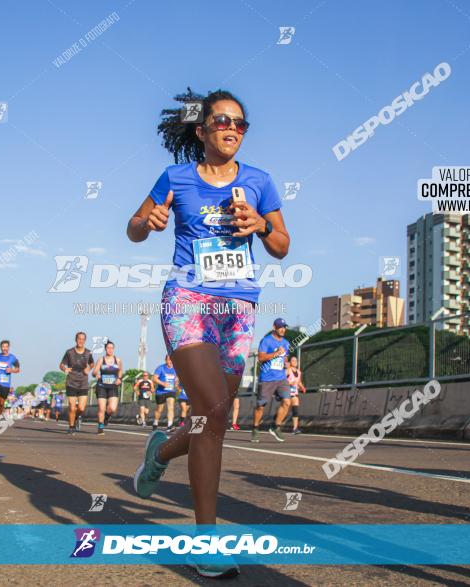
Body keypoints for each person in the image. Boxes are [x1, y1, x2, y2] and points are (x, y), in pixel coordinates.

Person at [127, 88, 289, 579]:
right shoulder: (175, 177)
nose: (232, 129)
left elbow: (282, 245)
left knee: (208, 417)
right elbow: (134, 227)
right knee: (214, 413)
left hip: (238, 307)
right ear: (201, 130)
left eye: (240, 123)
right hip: (188, 299)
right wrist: (147, 220)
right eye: (222, 121)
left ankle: (160, 450)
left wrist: (261, 224)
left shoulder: (259, 182)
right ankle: (207, 540)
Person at [252, 318, 292, 443]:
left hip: (281, 378)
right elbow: (261, 357)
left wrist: (287, 364)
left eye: (284, 327)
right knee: (261, 406)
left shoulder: (286, 343)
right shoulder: (266, 341)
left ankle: (276, 427)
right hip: (267, 378)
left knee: (287, 402)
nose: (283, 329)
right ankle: (255, 428)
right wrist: (275, 354)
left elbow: (284, 358)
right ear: (274, 327)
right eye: (280, 327)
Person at [60, 333, 93, 435]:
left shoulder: (88, 353)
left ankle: (76, 417)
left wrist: (89, 368)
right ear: (76, 339)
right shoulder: (69, 352)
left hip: (83, 383)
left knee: (81, 408)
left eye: (83, 339)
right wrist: (65, 368)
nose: (81, 341)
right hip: (71, 382)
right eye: (79, 339)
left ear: (85, 341)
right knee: (72, 406)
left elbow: (92, 363)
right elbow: (61, 364)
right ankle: (71, 426)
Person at [93, 341, 123, 435]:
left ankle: (106, 417)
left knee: (112, 408)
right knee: (102, 408)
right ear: (105, 349)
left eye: (112, 348)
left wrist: (119, 378)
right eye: (108, 348)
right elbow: (94, 372)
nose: (110, 350)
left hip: (113, 387)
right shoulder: (101, 360)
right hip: (102, 386)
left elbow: (120, 371)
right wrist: (96, 374)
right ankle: (100, 427)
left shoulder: (117, 360)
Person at [0, 340, 20, 419]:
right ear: (0, 347)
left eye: (6, 347)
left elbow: (18, 369)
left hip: (6, 383)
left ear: (8, 347)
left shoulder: (12, 358)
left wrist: (12, 370)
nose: (4, 348)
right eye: (3, 347)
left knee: (2, 403)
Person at [152, 355, 178, 431]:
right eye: (168, 360)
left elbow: (176, 378)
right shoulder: (161, 368)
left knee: (171, 406)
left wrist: (176, 383)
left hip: (171, 391)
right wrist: (162, 383)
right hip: (161, 391)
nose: (170, 362)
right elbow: (154, 378)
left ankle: (169, 425)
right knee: (159, 409)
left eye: (171, 360)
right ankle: (155, 422)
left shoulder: (176, 368)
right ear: (165, 360)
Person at [286, 354, 307, 435]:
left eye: (295, 361)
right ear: (290, 362)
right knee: (285, 408)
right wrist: (290, 383)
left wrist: (302, 387)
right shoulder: (288, 370)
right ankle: (276, 423)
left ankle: (295, 428)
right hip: (286, 391)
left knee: (295, 409)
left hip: (294, 392)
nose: (294, 362)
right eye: (292, 360)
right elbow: (283, 380)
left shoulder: (299, 372)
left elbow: (298, 381)